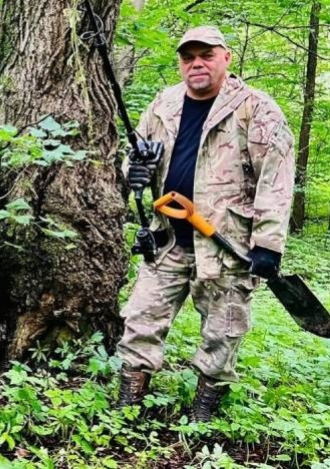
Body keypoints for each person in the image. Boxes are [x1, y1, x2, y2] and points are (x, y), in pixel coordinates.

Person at [115, 26, 294, 422]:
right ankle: (128, 406)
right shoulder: (164, 104)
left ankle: (203, 412)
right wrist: (135, 171)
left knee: (223, 331)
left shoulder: (256, 109)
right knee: (141, 317)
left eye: (206, 55)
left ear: (226, 58)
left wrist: (268, 244)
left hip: (227, 244)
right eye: (188, 57)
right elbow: (138, 154)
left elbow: (276, 178)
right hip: (168, 240)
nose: (196, 63)